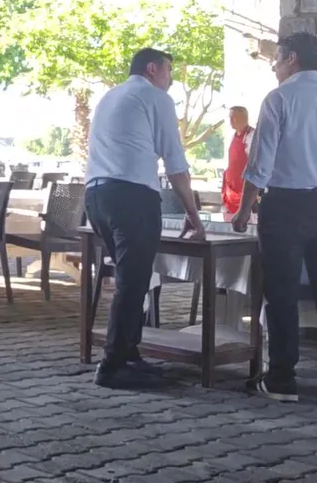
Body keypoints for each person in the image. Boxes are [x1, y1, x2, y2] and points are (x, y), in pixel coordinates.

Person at [232, 32, 317, 402]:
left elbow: (260, 164)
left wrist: (243, 209)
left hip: (285, 206)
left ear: (292, 59)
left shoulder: (279, 98)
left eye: (277, 58)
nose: (274, 66)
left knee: (281, 292)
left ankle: (282, 379)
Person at [84, 48, 205, 389]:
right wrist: (192, 213)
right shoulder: (155, 97)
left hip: (97, 196)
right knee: (132, 282)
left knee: (131, 278)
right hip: (132, 197)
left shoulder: (110, 96)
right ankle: (112, 366)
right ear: (152, 68)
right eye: (169, 71)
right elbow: (175, 162)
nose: (171, 79)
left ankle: (129, 353)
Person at [221, 106, 255, 217]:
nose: (231, 121)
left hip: (244, 193)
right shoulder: (232, 136)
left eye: (234, 117)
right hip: (230, 192)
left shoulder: (252, 136)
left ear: (244, 118)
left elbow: (255, 165)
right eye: (230, 117)